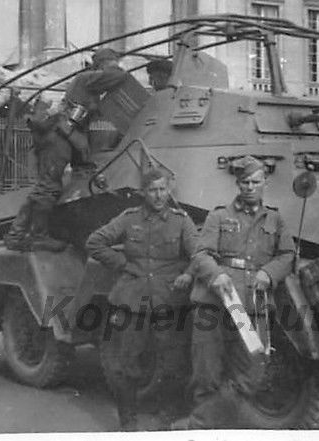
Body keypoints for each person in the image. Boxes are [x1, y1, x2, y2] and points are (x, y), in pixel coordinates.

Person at [172, 156, 295, 429]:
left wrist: (269, 273)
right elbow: (201, 253)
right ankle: (203, 430)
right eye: (245, 182)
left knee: (253, 373)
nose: (250, 187)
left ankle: (198, 423)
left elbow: (288, 255)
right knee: (206, 372)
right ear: (238, 184)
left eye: (256, 182)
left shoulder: (275, 219)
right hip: (214, 302)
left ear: (265, 183)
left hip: (250, 307)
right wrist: (216, 274)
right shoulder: (218, 216)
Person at [86, 169, 197, 431]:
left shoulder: (181, 221)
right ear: (143, 193)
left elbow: (199, 253)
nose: (158, 196)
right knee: (127, 364)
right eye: (152, 190)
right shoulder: (129, 219)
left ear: (169, 190)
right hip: (133, 299)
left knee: (173, 363)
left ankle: (166, 416)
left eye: (162, 189)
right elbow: (95, 242)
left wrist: (188, 274)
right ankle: (128, 420)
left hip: (168, 300)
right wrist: (123, 263)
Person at [5, 47, 128, 250]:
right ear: (102, 65)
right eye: (111, 63)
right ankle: (36, 235)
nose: (114, 67)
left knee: (47, 186)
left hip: (66, 135)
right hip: (59, 136)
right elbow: (118, 76)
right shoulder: (87, 79)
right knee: (48, 187)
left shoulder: (90, 86)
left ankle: (16, 234)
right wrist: (116, 67)